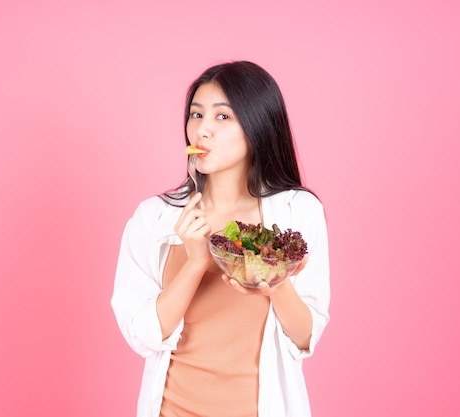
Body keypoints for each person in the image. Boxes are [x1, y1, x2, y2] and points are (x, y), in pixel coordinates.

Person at [111, 61, 330, 417]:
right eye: (196, 115)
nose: (203, 130)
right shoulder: (153, 218)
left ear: (257, 126)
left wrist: (276, 279)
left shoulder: (297, 212)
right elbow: (143, 335)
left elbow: (305, 337)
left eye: (222, 117)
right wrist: (195, 262)